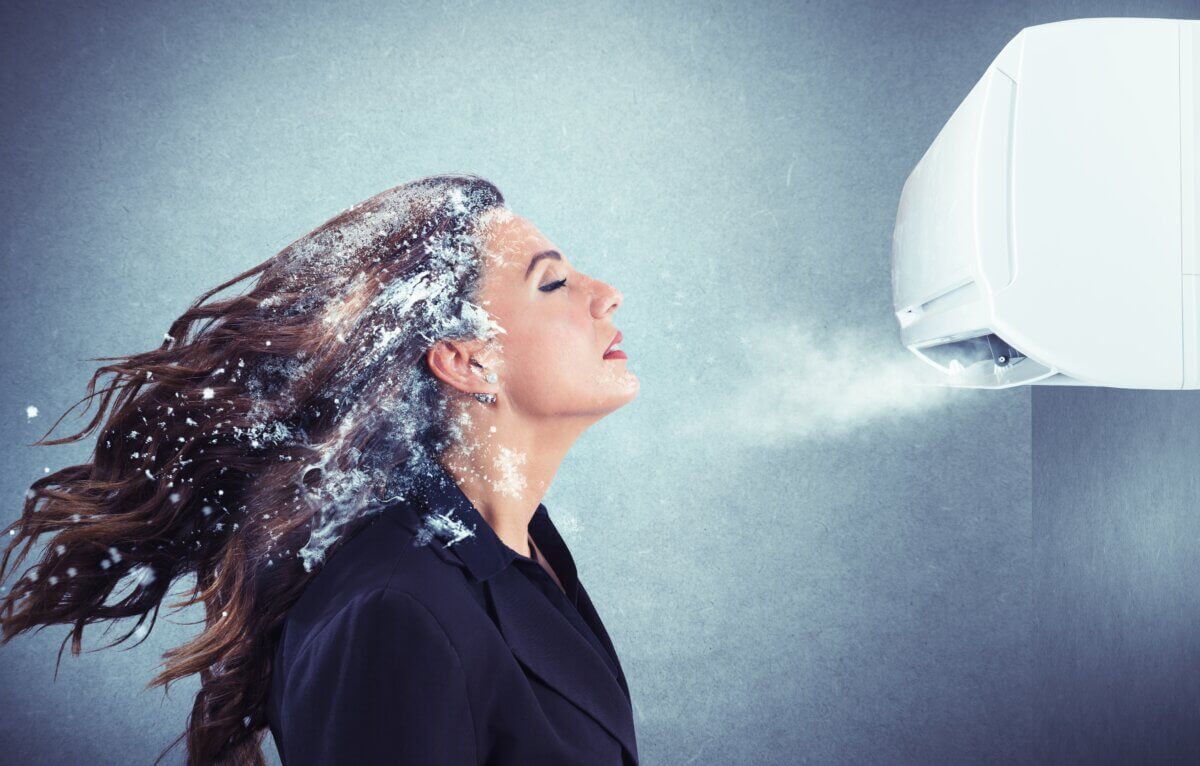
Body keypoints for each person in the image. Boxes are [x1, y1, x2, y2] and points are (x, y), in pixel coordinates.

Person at [0, 174, 640, 765]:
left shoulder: (521, 545)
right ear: (466, 361)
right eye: (552, 283)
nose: (607, 296)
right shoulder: (394, 615)